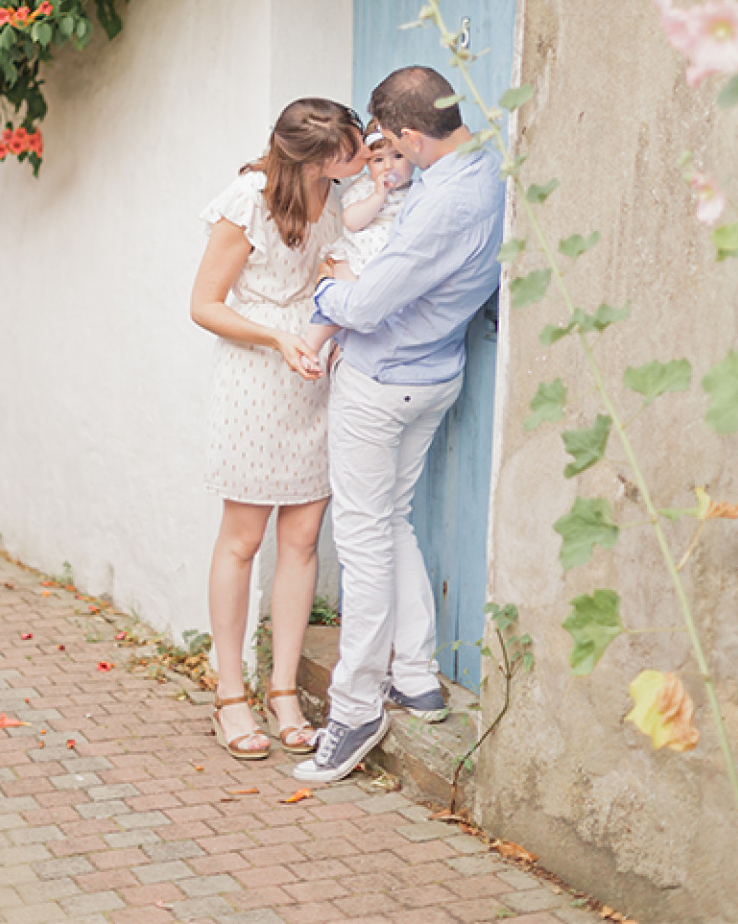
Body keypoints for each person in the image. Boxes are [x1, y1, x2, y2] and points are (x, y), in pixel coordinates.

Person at [292, 65, 506, 784]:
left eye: (394, 140)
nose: (393, 151)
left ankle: (354, 709)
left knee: (362, 541)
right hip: (438, 375)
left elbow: (370, 302)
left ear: (415, 133)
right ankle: (415, 673)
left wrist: (328, 290)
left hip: (383, 383)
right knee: (392, 521)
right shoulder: (486, 171)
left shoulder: (445, 202)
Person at [190, 97, 367, 760]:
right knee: (243, 539)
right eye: (346, 149)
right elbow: (203, 304)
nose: (356, 157)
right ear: (312, 157)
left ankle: (283, 689)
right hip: (256, 380)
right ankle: (230, 693)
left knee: (301, 538)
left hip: (313, 381)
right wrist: (276, 337)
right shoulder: (249, 199)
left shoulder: (339, 193)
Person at [303, 132, 416, 364]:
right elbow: (352, 222)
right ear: (367, 164)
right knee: (342, 301)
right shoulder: (364, 188)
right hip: (358, 256)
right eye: (378, 160)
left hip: (387, 261)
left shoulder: (417, 192)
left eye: (398, 156)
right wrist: (378, 195)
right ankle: (311, 346)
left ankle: (346, 351)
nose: (388, 166)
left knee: (378, 312)